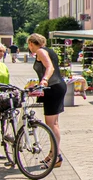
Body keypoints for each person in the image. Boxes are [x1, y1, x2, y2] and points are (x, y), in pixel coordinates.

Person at [26, 33, 66, 168]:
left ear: (31, 43)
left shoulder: (41, 51)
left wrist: (44, 81)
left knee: (51, 124)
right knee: (53, 123)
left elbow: (50, 67)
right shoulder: (48, 50)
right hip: (56, 86)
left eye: (29, 45)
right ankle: (52, 154)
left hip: (53, 87)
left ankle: (56, 156)